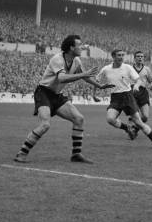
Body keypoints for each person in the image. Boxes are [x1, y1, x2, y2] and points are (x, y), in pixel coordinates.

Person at [14, 35, 112, 164]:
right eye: (79, 45)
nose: (82, 47)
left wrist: (99, 86)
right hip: (43, 93)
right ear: (71, 47)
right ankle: (21, 154)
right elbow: (62, 78)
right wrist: (84, 74)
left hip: (57, 95)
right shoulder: (57, 59)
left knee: (79, 119)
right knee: (45, 125)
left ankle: (76, 155)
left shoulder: (76, 60)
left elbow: (85, 76)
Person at [94, 49, 152, 148]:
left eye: (122, 55)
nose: (121, 57)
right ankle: (127, 128)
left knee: (139, 122)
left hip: (127, 96)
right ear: (113, 56)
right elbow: (96, 80)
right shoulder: (106, 69)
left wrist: (137, 86)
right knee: (110, 119)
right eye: (119, 55)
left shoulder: (127, 67)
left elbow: (138, 80)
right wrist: (94, 95)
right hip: (115, 97)